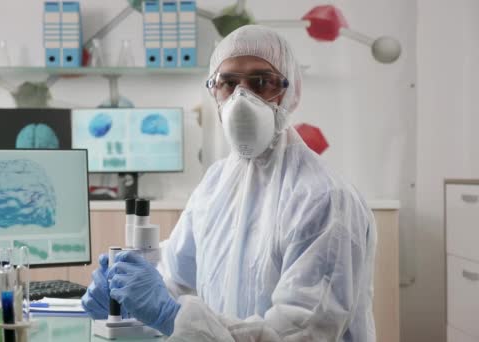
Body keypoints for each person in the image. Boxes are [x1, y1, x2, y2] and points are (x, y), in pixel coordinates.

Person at [82, 25, 377, 341]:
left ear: (291, 92)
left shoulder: (323, 199)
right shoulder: (215, 184)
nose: (241, 97)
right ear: (214, 90)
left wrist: (169, 314)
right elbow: (176, 277)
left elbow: (299, 334)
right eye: (229, 83)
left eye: (261, 82)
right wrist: (125, 291)